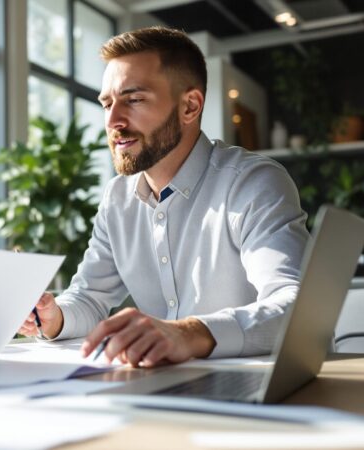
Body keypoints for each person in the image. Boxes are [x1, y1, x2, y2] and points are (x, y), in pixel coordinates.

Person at [19, 27, 309, 368]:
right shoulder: (118, 199)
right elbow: (89, 297)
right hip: (162, 385)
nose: (113, 121)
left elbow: (296, 306)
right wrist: (55, 318)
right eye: (107, 103)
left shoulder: (253, 183)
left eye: (134, 99)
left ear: (190, 106)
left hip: (261, 390)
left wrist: (189, 332)